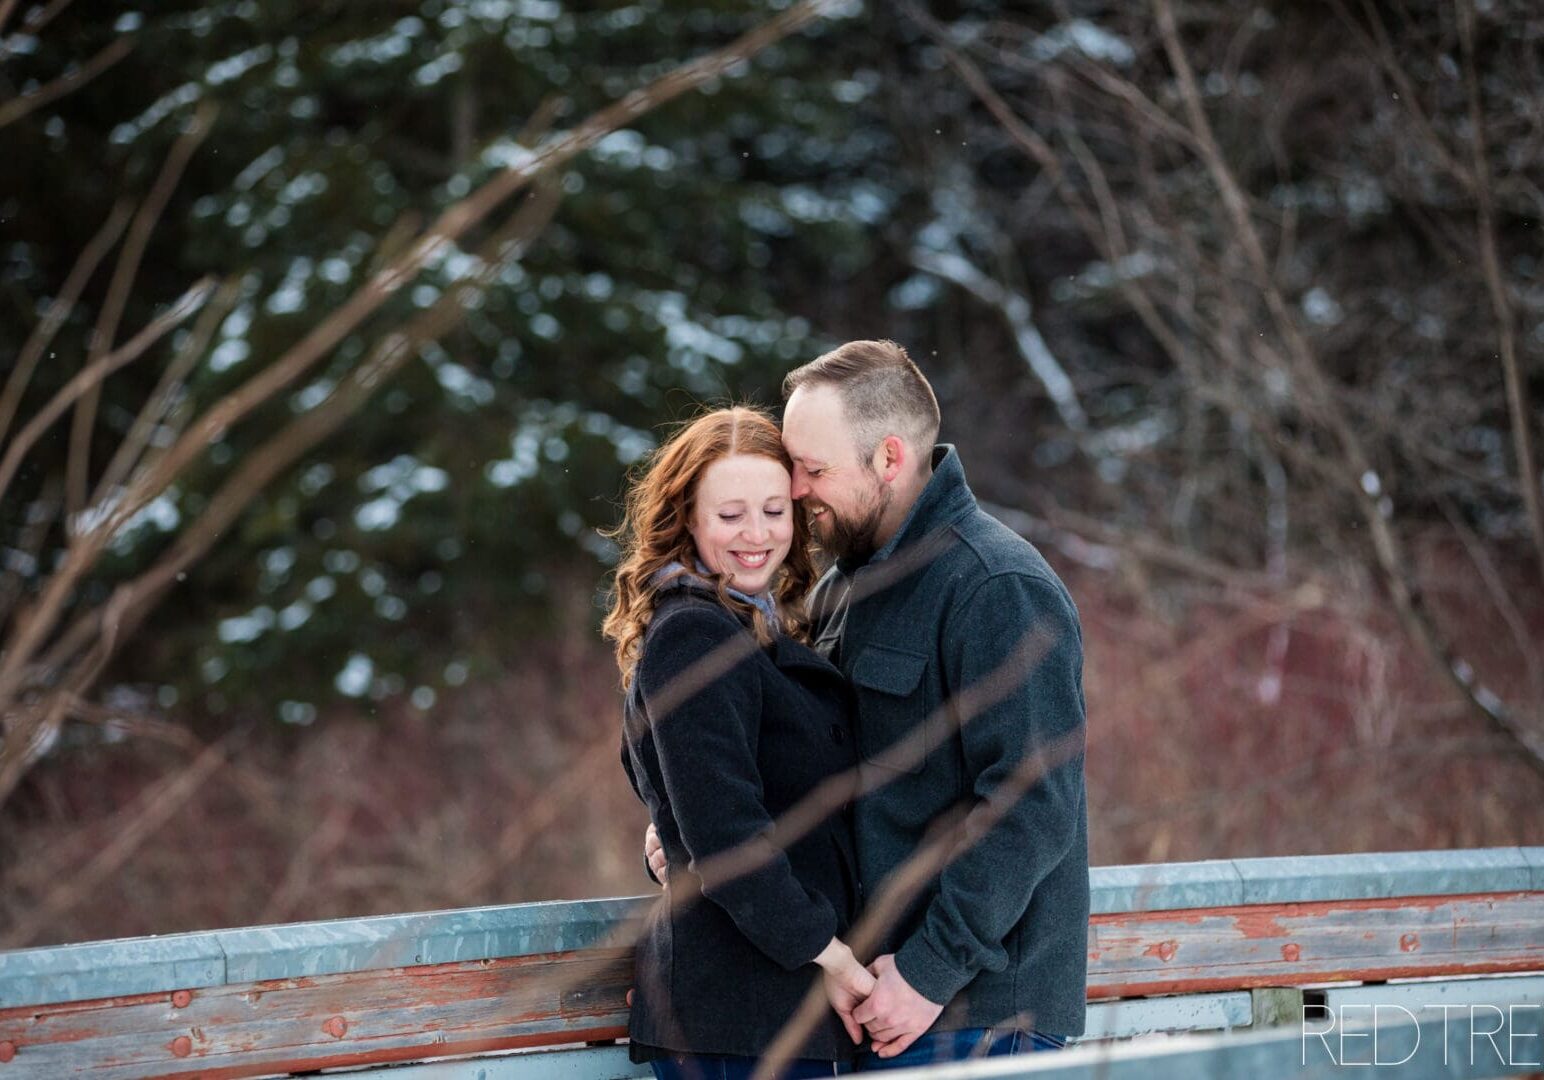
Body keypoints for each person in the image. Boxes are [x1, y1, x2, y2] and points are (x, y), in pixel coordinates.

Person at [649, 341, 1089, 1067]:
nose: (794, 490)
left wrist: (927, 971)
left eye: (813, 470)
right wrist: (679, 819)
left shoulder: (995, 587)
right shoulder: (838, 594)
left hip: (976, 1011)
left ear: (889, 458)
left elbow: (1033, 803)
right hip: (874, 1005)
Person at [605, 406, 875, 1080]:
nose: (757, 535)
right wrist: (832, 955)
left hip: (767, 1010)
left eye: (774, 511)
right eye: (730, 516)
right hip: (741, 1014)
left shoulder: (748, 626)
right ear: (687, 519)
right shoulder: (693, 634)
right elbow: (727, 835)